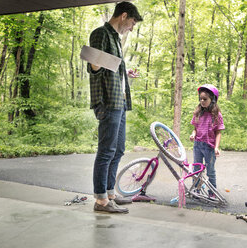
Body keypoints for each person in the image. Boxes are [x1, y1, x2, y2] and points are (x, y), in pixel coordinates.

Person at [87, 2, 143, 213]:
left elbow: (108, 70)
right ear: (124, 16)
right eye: (133, 22)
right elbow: (93, 68)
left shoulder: (116, 39)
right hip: (108, 101)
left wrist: (123, 74)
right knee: (106, 151)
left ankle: (110, 193)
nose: (132, 27)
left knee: (118, 149)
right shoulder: (101, 33)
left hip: (119, 101)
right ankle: (101, 200)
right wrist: (95, 62)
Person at [190, 84, 225, 197]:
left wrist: (216, 147)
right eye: (200, 99)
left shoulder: (216, 115)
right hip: (198, 146)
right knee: (197, 169)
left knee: (210, 171)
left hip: (209, 147)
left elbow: (218, 132)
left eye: (205, 99)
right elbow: (195, 128)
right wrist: (193, 134)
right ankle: (196, 190)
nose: (202, 101)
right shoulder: (198, 113)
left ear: (212, 99)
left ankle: (212, 192)